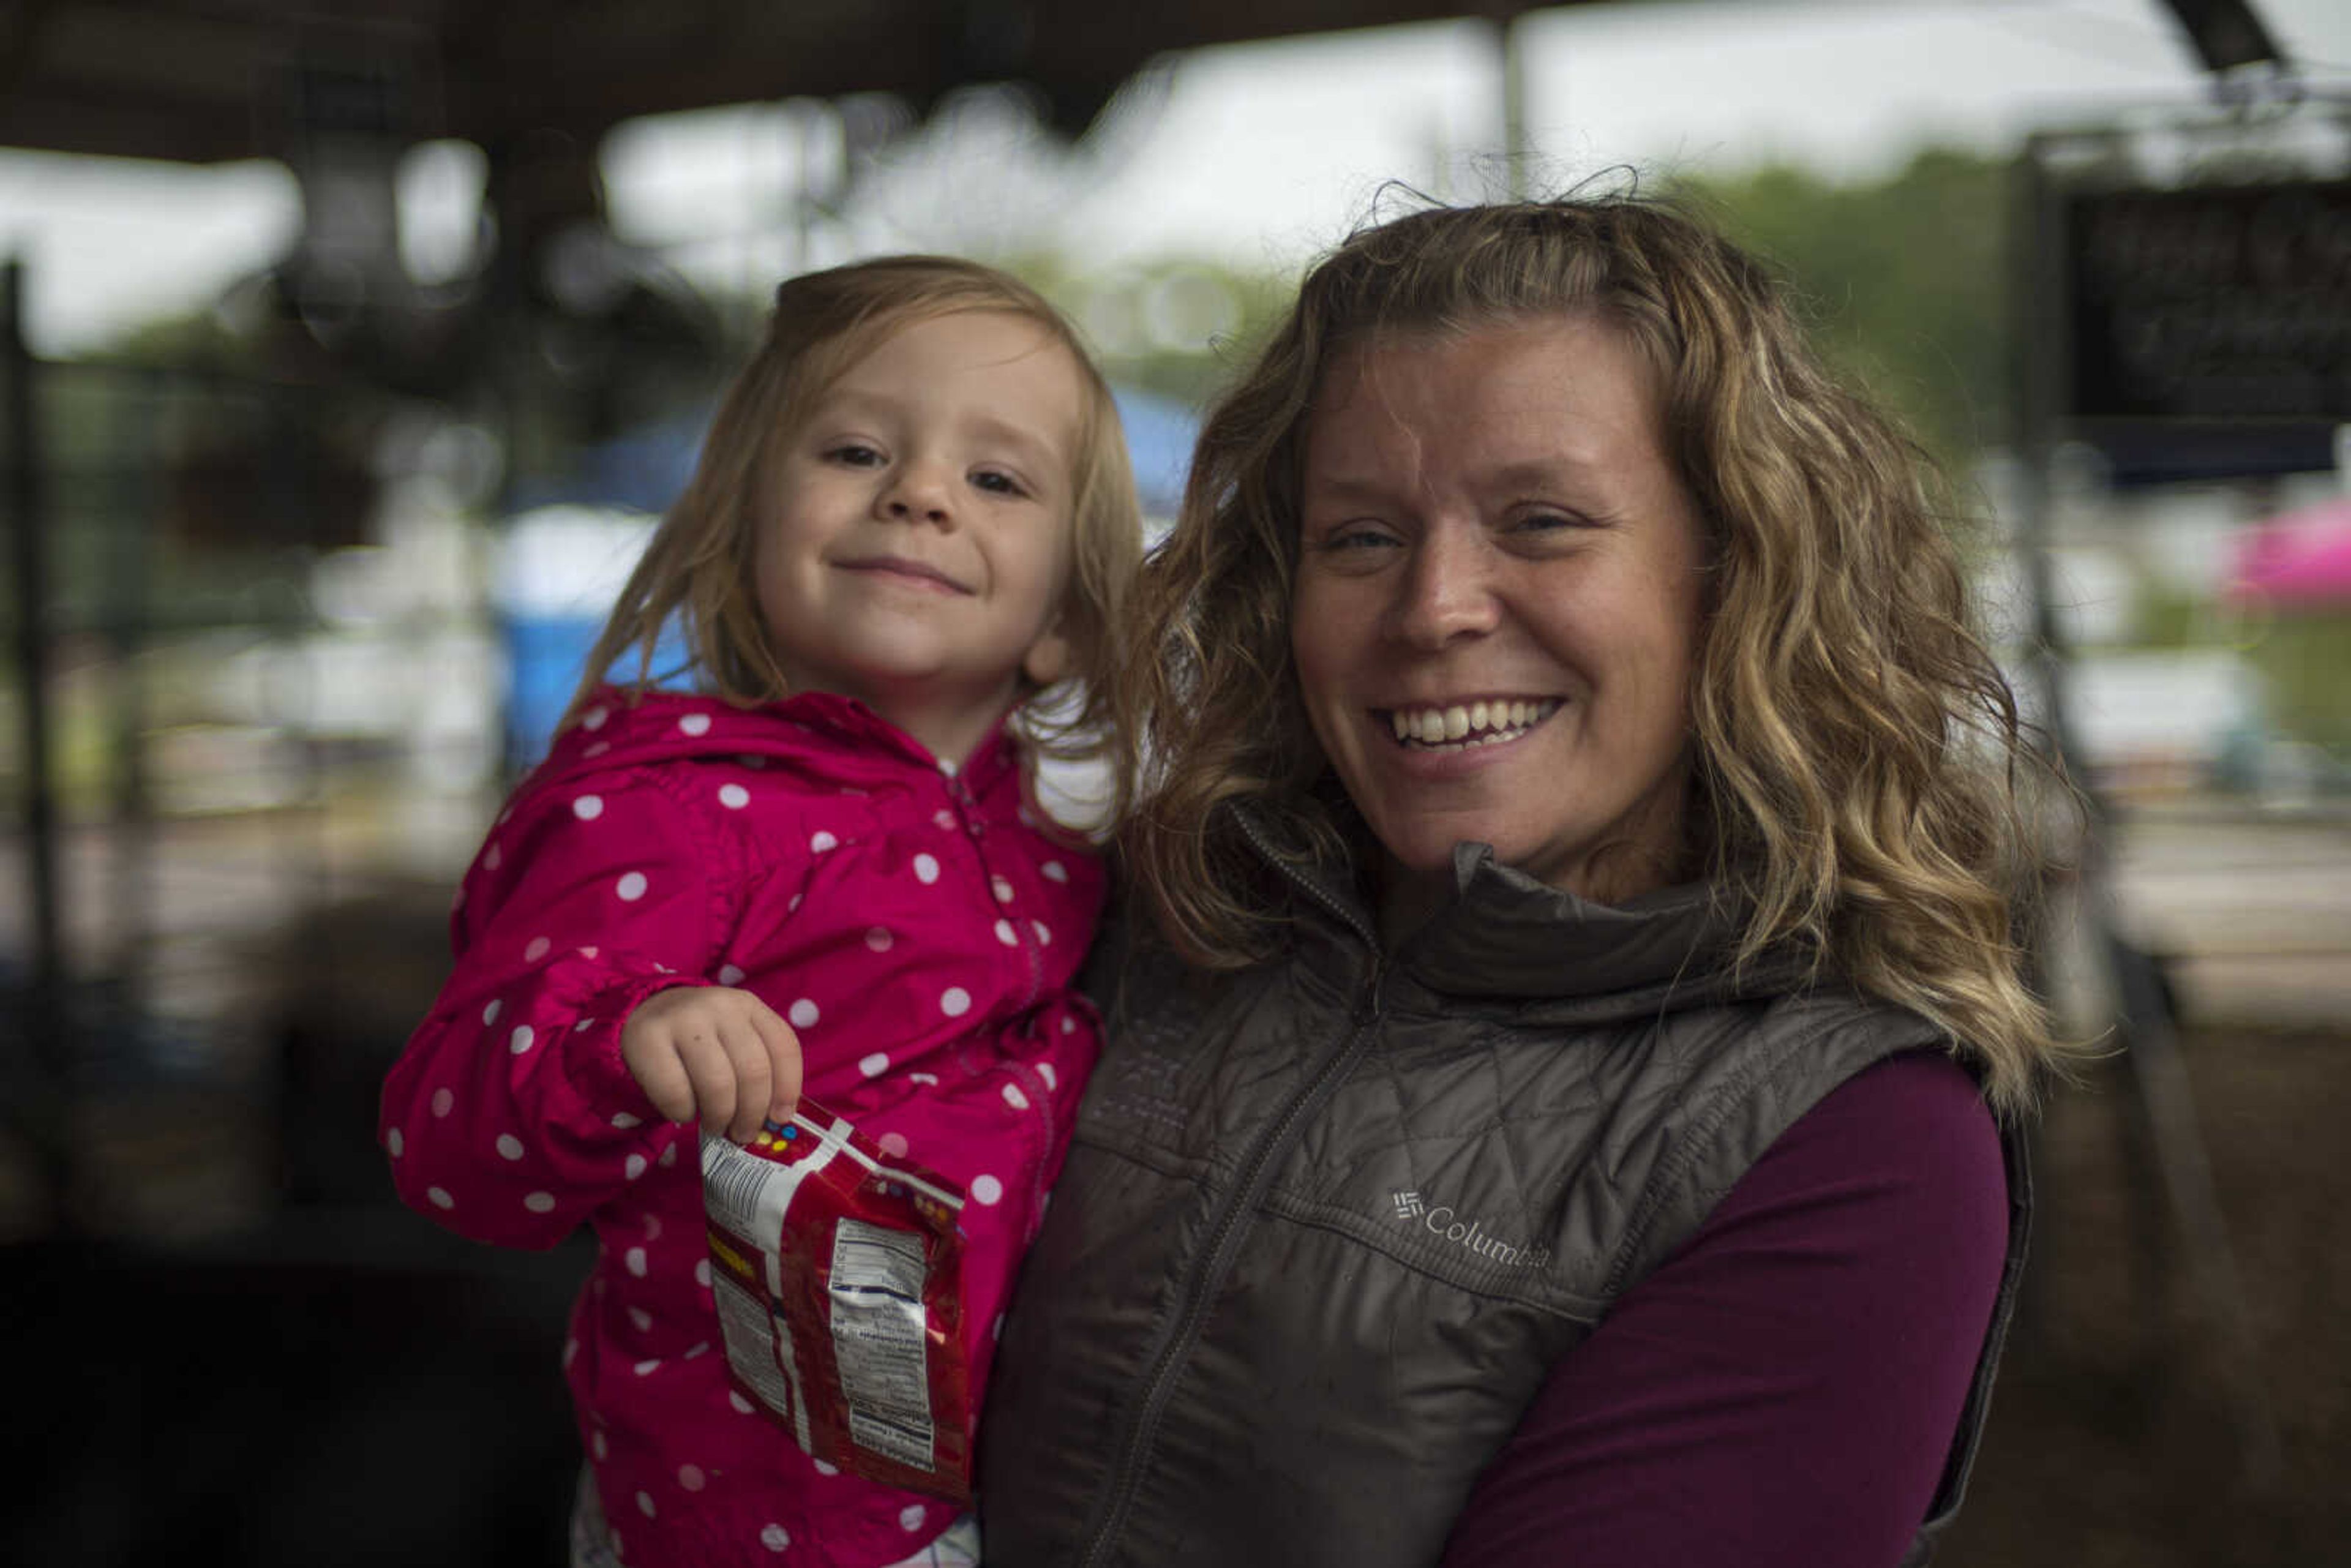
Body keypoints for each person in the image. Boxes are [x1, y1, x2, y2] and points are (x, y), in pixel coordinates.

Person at [977, 194, 2074, 1568]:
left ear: (1734, 575)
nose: (1434, 606)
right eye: (1361, 538)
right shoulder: (1145, 921)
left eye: (1542, 521)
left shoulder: (1851, 1145)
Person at [380, 255, 1142, 1568]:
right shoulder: (672, 814)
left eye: (997, 479)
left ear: (1065, 619)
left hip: (1024, 1492)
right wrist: (621, 1040)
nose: (918, 492)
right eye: (856, 449)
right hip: (758, 1533)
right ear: (743, 524)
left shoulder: (1070, 862)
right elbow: (451, 1149)